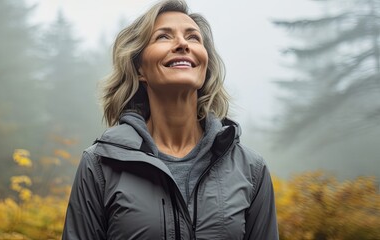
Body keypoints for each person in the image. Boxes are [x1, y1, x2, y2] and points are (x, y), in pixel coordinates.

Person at [62, 0, 279, 239]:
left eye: (193, 37)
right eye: (163, 37)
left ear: (204, 65)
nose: (183, 44)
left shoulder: (251, 169)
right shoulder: (100, 165)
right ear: (139, 69)